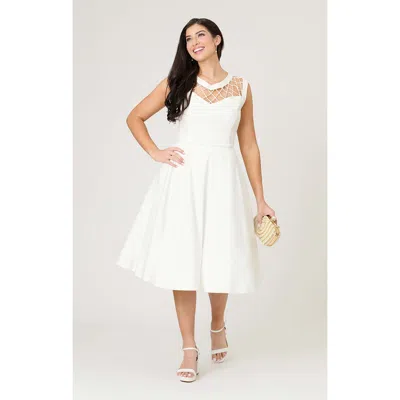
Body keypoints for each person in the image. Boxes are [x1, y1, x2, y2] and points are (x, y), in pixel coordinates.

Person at [116, 17, 277, 383]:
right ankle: (189, 347)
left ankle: (217, 324)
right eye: (188, 38)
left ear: (217, 40)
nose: (194, 42)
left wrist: (261, 200)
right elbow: (135, 117)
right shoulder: (177, 82)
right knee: (183, 261)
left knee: (221, 255)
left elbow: (249, 144)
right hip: (183, 181)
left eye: (200, 34)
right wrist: (156, 151)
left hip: (224, 180)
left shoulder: (242, 87)